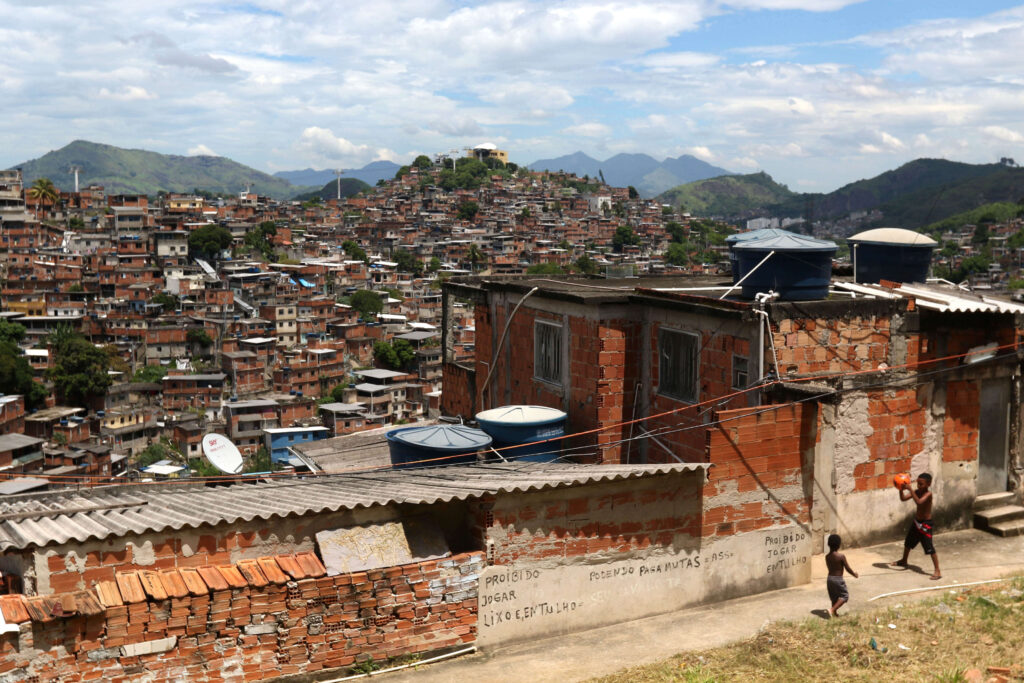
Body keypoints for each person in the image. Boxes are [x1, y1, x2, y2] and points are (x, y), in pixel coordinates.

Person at [891, 472, 942, 580]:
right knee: (908, 542)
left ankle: (937, 570)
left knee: (929, 547)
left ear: (928, 484)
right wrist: (901, 488)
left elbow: (919, 502)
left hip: (925, 525)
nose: (918, 486)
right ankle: (904, 560)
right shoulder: (917, 492)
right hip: (917, 522)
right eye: (918, 483)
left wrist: (910, 489)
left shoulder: (928, 494)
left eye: (921, 484)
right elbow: (903, 498)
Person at [825, 533, 858, 617]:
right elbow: (847, 568)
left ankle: (834, 614)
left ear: (828, 544)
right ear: (839, 545)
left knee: (834, 597)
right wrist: (854, 574)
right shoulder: (841, 556)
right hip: (838, 579)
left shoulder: (827, 556)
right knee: (844, 596)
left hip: (829, 579)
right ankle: (832, 610)